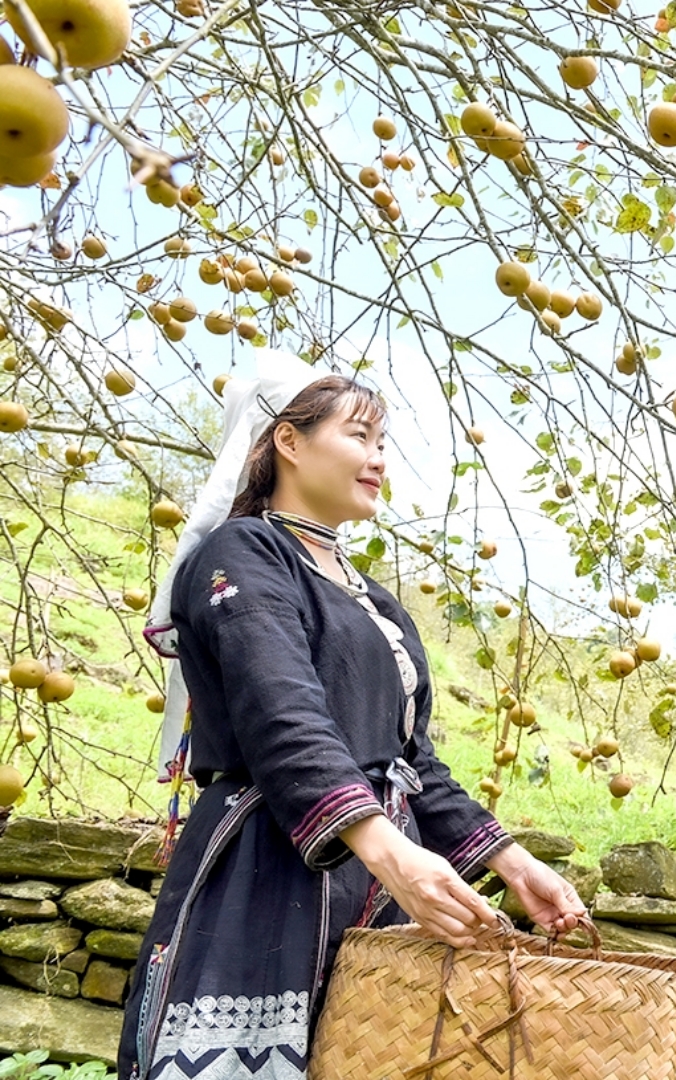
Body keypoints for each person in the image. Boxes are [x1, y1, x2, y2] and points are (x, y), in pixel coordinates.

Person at [120, 359, 587, 1080]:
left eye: (383, 442)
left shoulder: (376, 602)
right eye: (360, 435)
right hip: (268, 871)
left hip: (376, 885)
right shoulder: (242, 553)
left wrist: (511, 861)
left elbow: (412, 761)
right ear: (289, 441)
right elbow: (283, 713)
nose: (378, 459)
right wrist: (391, 853)